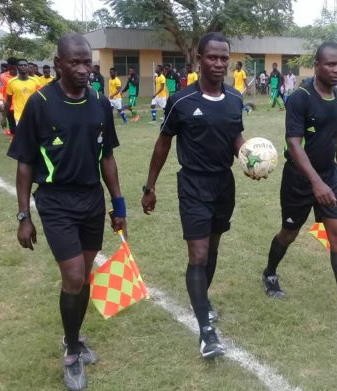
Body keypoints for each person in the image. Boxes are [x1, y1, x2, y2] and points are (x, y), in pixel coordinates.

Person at [8, 33, 126, 391]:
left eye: (86, 62)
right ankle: (72, 353)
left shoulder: (99, 104)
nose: (82, 69)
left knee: (86, 275)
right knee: (73, 277)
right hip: (56, 202)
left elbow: (107, 156)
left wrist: (118, 205)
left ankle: (73, 337)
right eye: (73, 62)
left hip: (91, 200)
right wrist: (23, 216)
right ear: (58, 63)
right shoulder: (41, 103)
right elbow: (25, 163)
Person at [141, 32, 249, 359]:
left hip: (223, 184)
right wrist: (150, 186)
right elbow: (163, 143)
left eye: (223, 58)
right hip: (193, 184)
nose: (218, 63)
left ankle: (203, 300)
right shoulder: (182, 100)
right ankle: (206, 331)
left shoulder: (233, 99)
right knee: (198, 254)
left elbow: (235, 135)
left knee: (212, 248)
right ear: (199, 60)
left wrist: (249, 157)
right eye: (212, 57)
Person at [261, 42, 337, 328]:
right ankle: (270, 272)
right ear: (316, 65)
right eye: (330, 64)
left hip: (330, 177)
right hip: (300, 180)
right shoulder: (300, 98)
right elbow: (293, 143)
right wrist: (315, 183)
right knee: (289, 233)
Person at [5, 59, 42, 126]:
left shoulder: (35, 81)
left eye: (25, 65)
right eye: (21, 65)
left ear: (28, 67)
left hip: (33, 115)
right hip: (19, 116)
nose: (23, 67)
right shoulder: (11, 82)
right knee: (22, 136)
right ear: (16, 67)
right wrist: (4, 117)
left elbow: (40, 99)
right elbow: (8, 101)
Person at [0, 57, 19, 136]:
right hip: (9, 107)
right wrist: (0, 101)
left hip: (22, 107)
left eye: (14, 67)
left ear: (17, 66)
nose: (12, 70)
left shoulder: (22, 76)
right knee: (13, 130)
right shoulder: (2, 77)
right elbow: (0, 90)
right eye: (10, 67)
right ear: (8, 66)